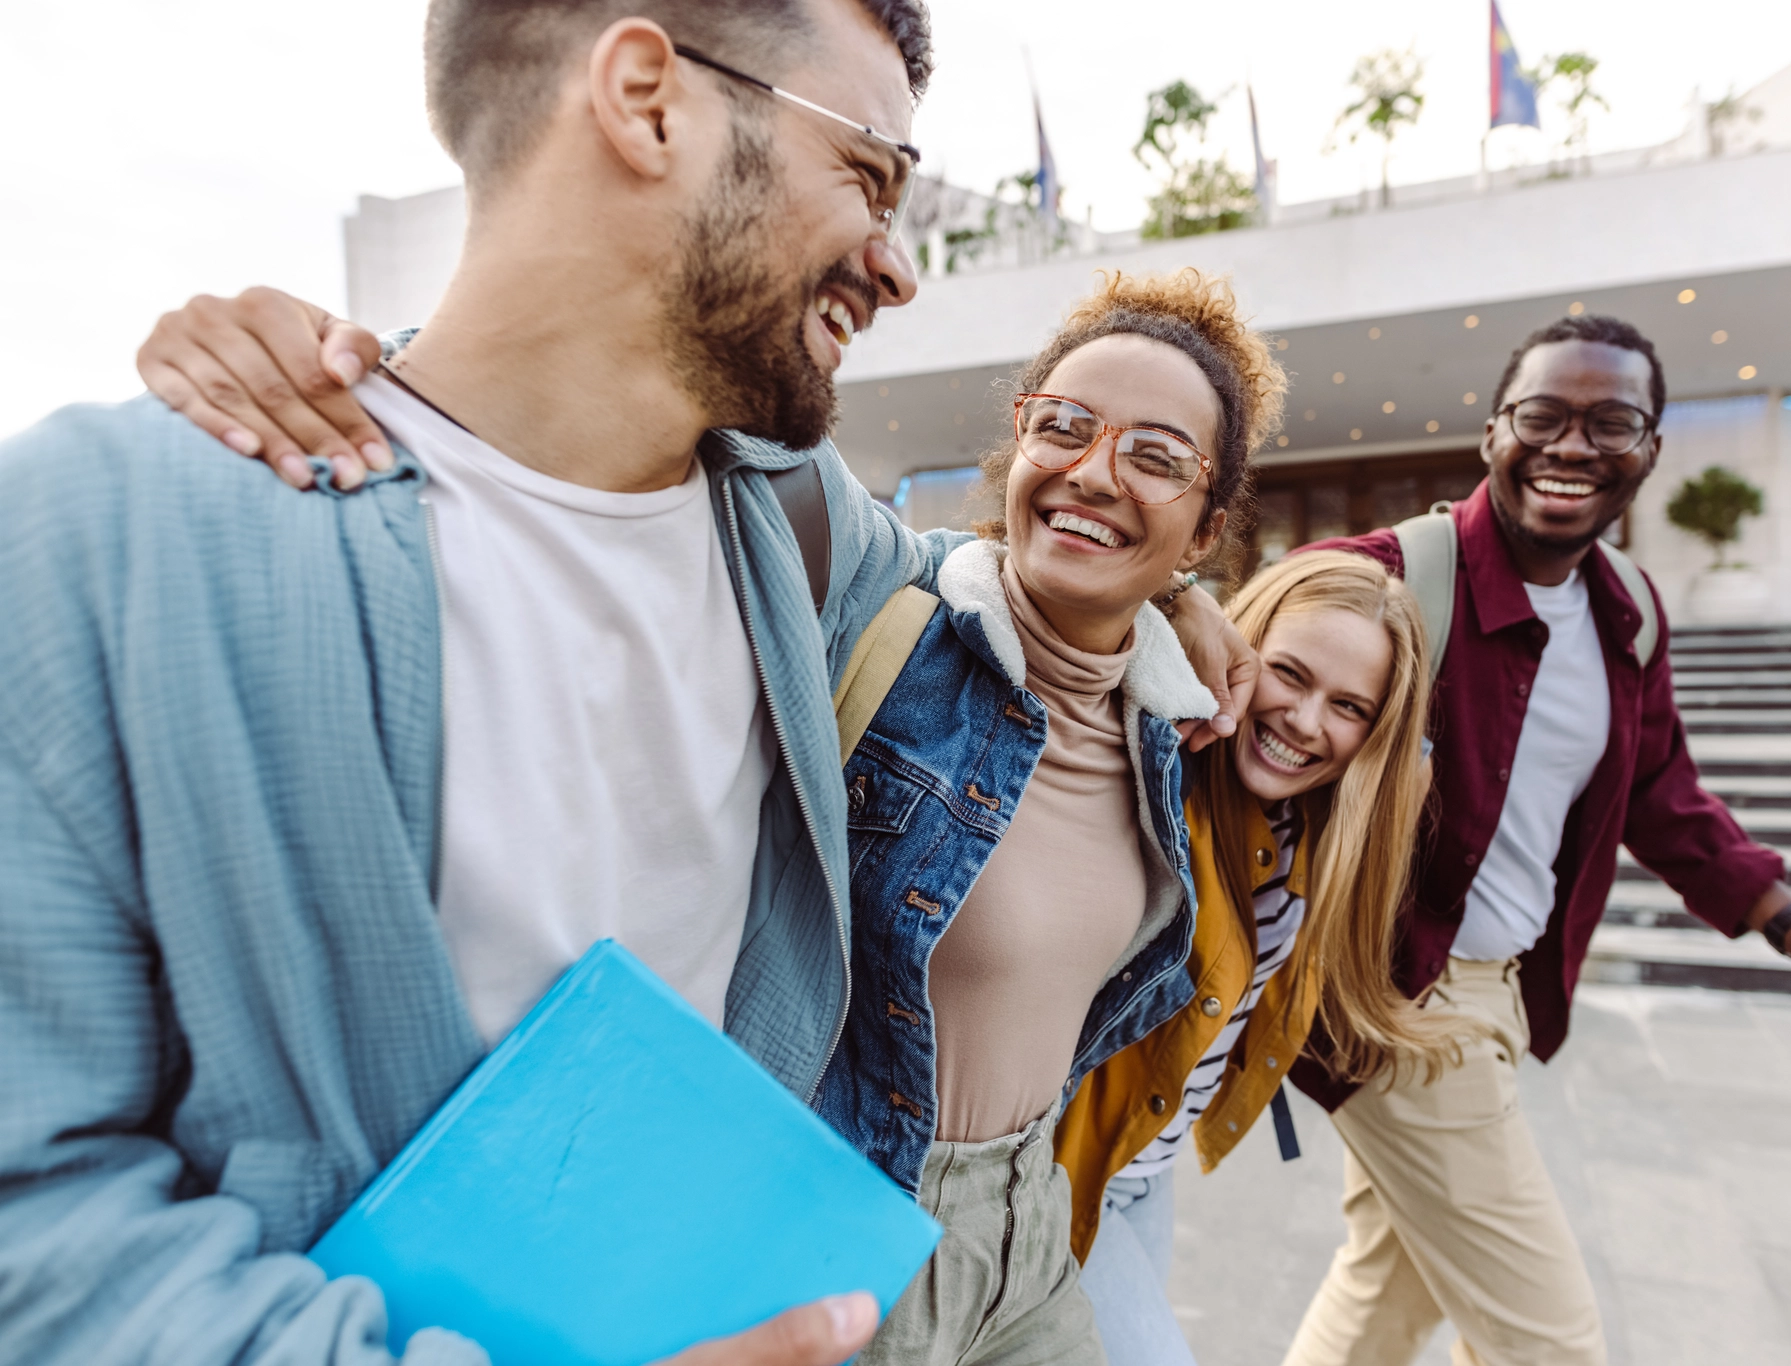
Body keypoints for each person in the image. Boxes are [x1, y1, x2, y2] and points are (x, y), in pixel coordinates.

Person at [0, 3, 1260, 1363]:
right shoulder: (109, 537)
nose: (899, 269)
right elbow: (38, 1223)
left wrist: (1176, 590)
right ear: (648, 95)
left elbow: (1013, 574)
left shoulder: (798, 533)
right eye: (871, 177)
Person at [1279, 314, 1791, 1366]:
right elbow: (1248, 669)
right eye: (1542, 416)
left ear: (1649, 451)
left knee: (1386, 1288)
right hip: (1397, 996)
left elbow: (1660, 792)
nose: (1572, 446)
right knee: (1551, 1341)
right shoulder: (1391, 576)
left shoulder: (1626, 610)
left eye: (1610, 423)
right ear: (1493, 431)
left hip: (1496, 985)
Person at [821, 267, 1281, 1364]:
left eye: (1155, 457)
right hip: (858, 1220)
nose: (1092, 471)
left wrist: (1175, 602)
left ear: (1206, 527)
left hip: (1032, 1220)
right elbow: (721, 425)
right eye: (1063, 427)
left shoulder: (1161, 720)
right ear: (1017, 449)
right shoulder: (890, 616)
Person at [1055, 550, 1470, 1366]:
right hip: (1066, 1174)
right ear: (1239, 652)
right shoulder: (1154, 780)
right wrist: (1177, 596)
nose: (1307, 722)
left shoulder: (1321, 830)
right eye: (1288, 674)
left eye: (1350, 706)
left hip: (1149, 1172)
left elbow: (1406, 765)